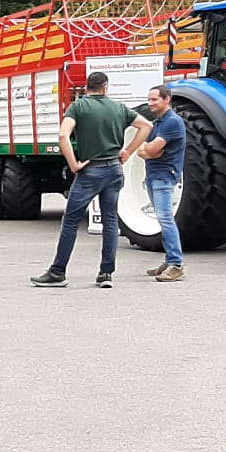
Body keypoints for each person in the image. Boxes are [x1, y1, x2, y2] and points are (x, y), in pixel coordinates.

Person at [32, 72, 152, 289]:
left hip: (90, 171)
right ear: (105, 87)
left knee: (70, 221)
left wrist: (73, 164)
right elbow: (146, 126)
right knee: (110, 222)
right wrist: (127, 151)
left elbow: (63, 135)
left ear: (87, 87)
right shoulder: (119, 108)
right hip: (114, 170)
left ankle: (58, 272)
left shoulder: (78, 107)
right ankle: (106, 273)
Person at [139, 85, 188, 282]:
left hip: (163, 176)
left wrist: (148, 150)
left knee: (166, 218)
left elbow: (150, 149)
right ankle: (170, 261)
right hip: (153, 175)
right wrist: (148, 150)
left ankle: (176, 264)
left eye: (154, 99)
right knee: (162, 219)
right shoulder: (158, 123)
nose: (150, 103)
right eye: (149, 99)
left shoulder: (172, 123)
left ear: (167, 99)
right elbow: (144, 150)